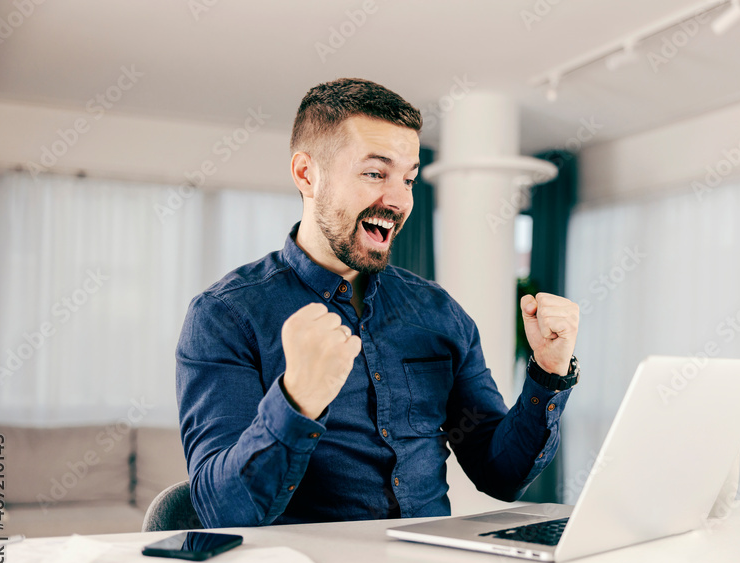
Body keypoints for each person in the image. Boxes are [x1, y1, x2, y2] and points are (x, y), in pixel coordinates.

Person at [176, 78, 581, 528]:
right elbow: (222, 510)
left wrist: (548, 374)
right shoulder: (224, 316)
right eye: (375, 173)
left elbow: (500, 474)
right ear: (306, 174)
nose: (398, 200)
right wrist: (297, 399)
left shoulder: (438, 312)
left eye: (408, 178)